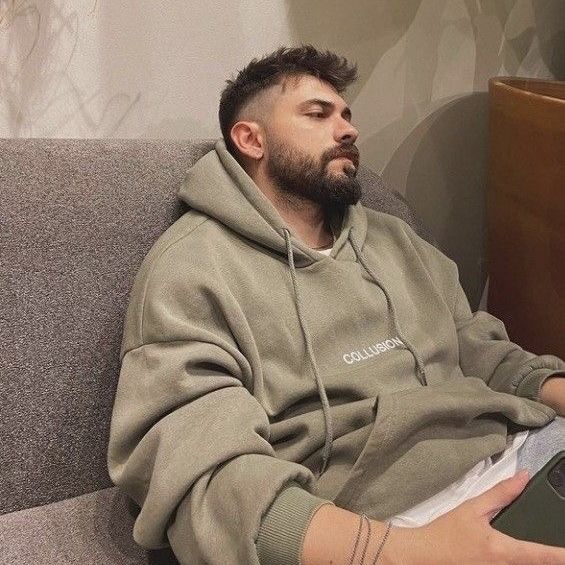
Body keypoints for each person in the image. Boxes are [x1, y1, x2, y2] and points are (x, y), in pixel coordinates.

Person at [107, 45, 565, 564]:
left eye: (346, 114)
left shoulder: (394, 238)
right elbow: (206, 478)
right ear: (251, 139)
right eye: (318, 114)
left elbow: (478, 346)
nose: (347, 129)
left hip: (518, 454)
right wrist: (404, 552)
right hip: (386, 524)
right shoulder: (192, 270)